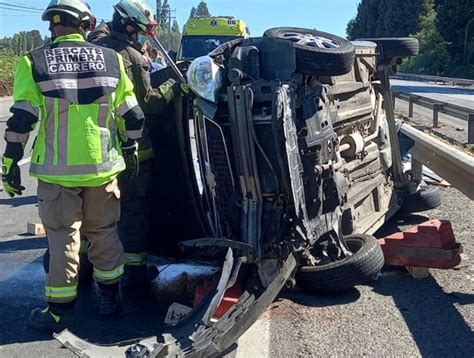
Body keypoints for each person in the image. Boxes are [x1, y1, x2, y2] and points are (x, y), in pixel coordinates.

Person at [1, 0, 145, 330]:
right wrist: (131, 146)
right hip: (102, 168)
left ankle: (58, 312)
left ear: (53, 25)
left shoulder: (33, 61)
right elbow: (133, 115)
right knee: (104, 232)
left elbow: (22, 119)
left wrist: (9, 162)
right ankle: (110, 298)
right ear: (85, 24)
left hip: (56, 172)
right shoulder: (111, 59)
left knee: (63, 238)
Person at [87, 0, 178, 287]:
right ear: (129, 27)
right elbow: (148, 103)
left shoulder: (95, 51)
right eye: (139, 32)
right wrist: (175, 85)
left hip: (97, 147)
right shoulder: (130, 55)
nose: (141, 38)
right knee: (133, 211)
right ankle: (134, 272)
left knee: (94, 213)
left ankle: (82, 270)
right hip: (133, 147)